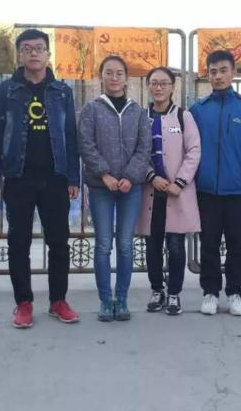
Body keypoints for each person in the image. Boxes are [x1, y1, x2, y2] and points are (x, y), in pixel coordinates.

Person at [0, 28, 81, 328]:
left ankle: (58, 301)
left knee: (59, 242)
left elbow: (70, 135)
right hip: (18, 177)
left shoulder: (62, 91)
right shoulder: (6, 91)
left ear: (48, 54)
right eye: (27, 48)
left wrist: (73, 177)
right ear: (20, 55)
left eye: (39, 48)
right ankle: (23, 303)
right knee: (19, 243)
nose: (34, 53)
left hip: (55, 177)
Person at [190, 50, 241, 316]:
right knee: (209, 243)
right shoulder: (198, 111)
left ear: (233, 73)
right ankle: (210, 292)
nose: (218, 76)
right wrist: (198, 175)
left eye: (223, 70)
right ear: (208, 75)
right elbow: (189, 147)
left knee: (237, 245)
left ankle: (235, 293)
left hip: (237, 190)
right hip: (206, 191)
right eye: (213, 71)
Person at [78, 55, 151, 322]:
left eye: (119, 73)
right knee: (103, 245)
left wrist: (130, 177)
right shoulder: (91, 109)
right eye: (108, 72)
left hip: (130, 188)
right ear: (101, 76)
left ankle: (121, 299)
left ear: (126, 78)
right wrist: (105, 174)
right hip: (101, 188)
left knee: (125, 244)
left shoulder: (138, 112)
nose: (114, 77)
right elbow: (85, 145)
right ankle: (105, 300)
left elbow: (145, 148)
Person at [136, 67, 201, 316]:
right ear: (148, 86)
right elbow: (135, 151)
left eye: (164, 83)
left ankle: (174, 293)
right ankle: (157, 290)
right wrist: (151, 176)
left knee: (175, 246)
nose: (159, 87)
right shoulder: (141, 117)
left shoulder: (184, 117)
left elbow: (194, 150)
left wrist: (180, 182)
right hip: (151, 192)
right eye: (154, 83)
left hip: (176, 193)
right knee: (152, 247)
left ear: (173, 87)